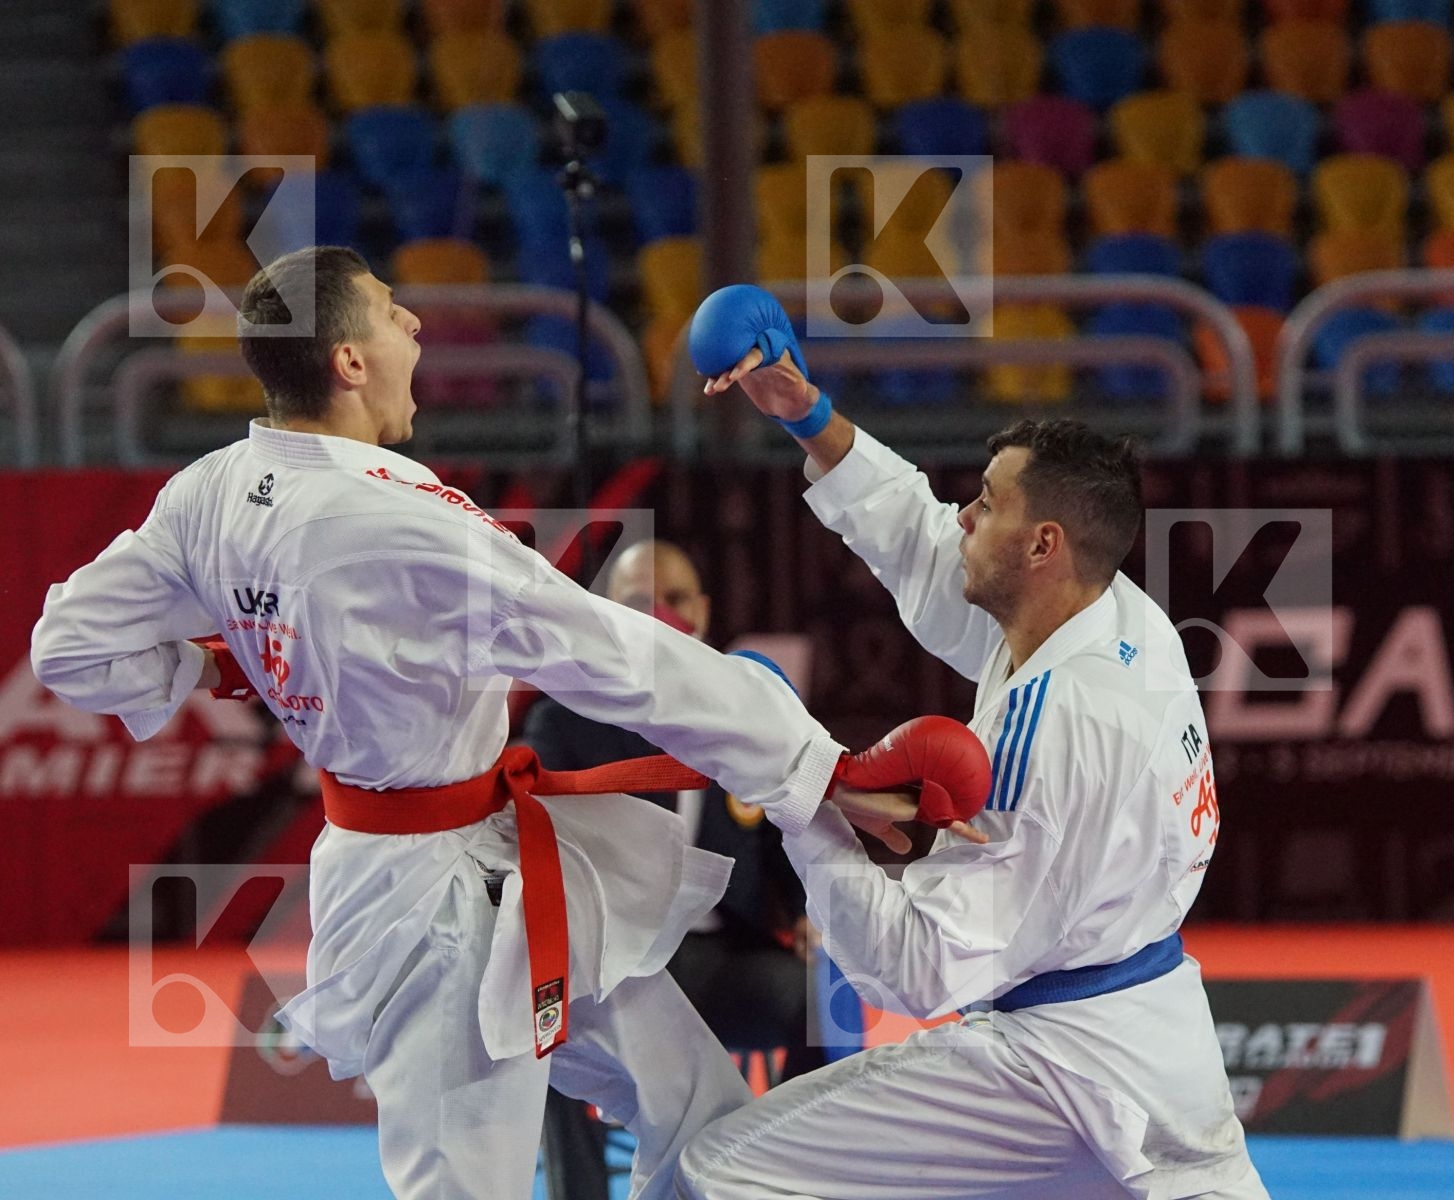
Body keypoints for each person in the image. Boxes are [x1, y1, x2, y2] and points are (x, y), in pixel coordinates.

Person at [28, 247, 979, 1200]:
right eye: (393, 314)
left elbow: (69, 645)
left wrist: (213, 663)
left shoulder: (208, 491)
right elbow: (622, 657)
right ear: (349, 362)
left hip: (501, 864)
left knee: (701, 1112)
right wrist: (822, 767)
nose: (416, 329)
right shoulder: (401, 523)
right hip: (430, 909)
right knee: (463, 1183)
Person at [672, 288, 1269, 1200]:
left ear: (1041, 544)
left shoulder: (1054, 727)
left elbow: (914, 969)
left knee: (720, 1172)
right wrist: (810, 416)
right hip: (1148, 1027)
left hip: (1058, 1067)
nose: (962, 517)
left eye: (984, 506)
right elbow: (918, 535)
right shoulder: (1110, 611)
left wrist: (798, 791)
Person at [525, 540, 824, 1200]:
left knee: (819, 1005)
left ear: (706, 611)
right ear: (606, 613)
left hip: (721, 961)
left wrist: (810, 915)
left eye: (677, 599)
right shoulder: (568, 716)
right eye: (638, 602)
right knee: (544, 1031)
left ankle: (766, 1173)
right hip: (613, 968)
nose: (661, 614)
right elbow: (529, 831)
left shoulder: (747, 711)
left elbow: (789, 837)